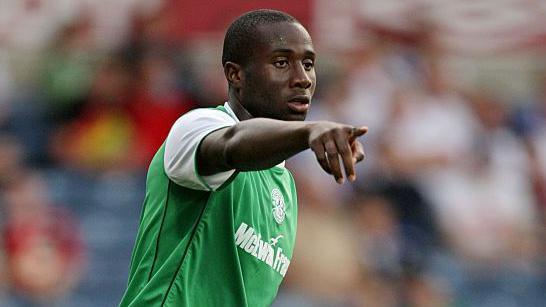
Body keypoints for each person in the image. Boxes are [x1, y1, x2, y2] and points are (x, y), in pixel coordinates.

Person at [120, 9, 367, 307]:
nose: (302, 79)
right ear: (235, 74)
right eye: (281, 62)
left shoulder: (284, 186)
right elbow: (231, 145)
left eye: (309, 64)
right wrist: (308, 132)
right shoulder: (198, 126)